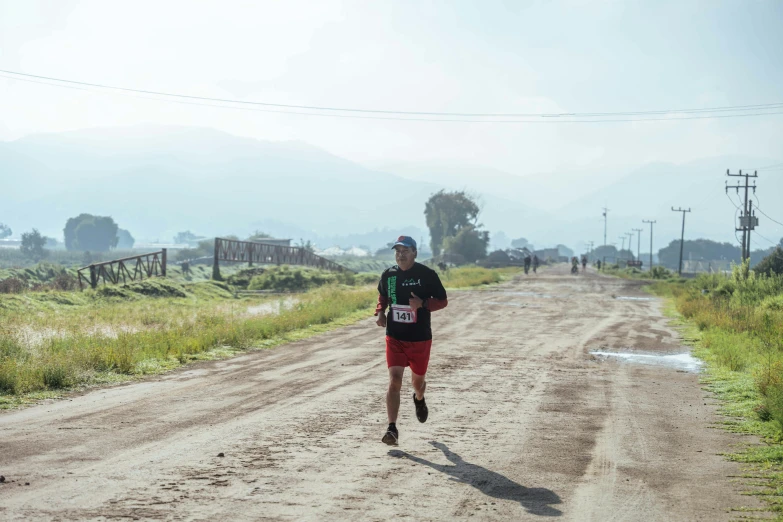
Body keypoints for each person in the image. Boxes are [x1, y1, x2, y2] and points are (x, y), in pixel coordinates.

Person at [375, 236, 448, 445]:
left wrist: (422, 303)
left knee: (418, 383)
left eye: (405, 250)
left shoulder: (427, 275)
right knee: (394, 380)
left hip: (420, 339)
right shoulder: (388, 275)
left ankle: (419, 398)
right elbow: (383, 297)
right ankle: (392, 429)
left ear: (415, 252)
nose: (400, 255)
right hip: (395, 336)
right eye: (397, 251)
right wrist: (380, 312)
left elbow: (442, 301)